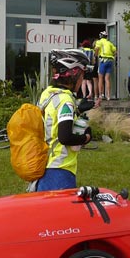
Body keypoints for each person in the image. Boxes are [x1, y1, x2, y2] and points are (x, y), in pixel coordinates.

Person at [34, 49, 93, 191]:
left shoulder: (47, 94)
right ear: (74, 74)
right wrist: (86, 137)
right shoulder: (66, 100)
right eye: (82, 74)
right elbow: (65, 137)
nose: (82, 79)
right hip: (60, 169)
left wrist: (78, 111)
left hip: (44, 165)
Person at [94, 30, 116, 101]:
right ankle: (108, 96)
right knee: (107, 79)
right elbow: (115, 51)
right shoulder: (109, 43)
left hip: (103, 60)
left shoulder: (99, 42)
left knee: (100, 78)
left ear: (100, 36)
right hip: (110, 60)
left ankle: (101, 95)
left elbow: (97, 49)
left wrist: (96, 55)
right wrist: (112, 56)